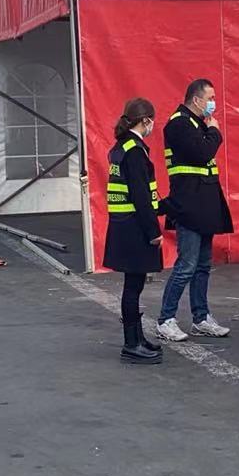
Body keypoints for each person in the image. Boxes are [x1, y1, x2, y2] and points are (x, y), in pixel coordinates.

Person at [155, 78, 234, 342]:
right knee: (186, 265)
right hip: (189, 204)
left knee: (202, 265)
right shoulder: (179, 123)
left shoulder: (198, 123)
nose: (213, 103)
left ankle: (201, 317)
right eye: (210, 98)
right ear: (196, 99)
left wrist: (209, 130)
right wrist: (215, 132)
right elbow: (202, 153)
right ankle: (166, 319)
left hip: (205, 204)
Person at [103, 98, 164, 365]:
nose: (153, 126)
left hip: (122, 224)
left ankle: (137, 338)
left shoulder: (122, 147)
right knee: (133, 287)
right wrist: (153, 231)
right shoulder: (135, 151)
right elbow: (141, 196)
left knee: (134, 285)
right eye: (152, 121)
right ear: (145, 120)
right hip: (135, 227)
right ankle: (131, 344)